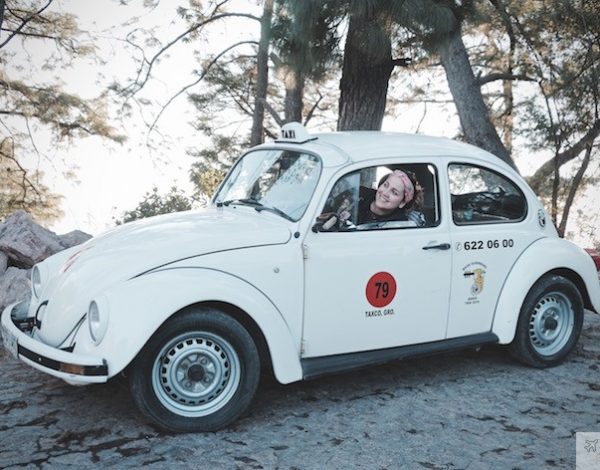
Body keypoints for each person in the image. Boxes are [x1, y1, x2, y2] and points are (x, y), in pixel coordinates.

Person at [357, 169, 425, 227]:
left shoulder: (399, 226)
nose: (385, 193)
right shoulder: (357, 195)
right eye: (385, 185)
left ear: (402, 203)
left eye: (394, 193)